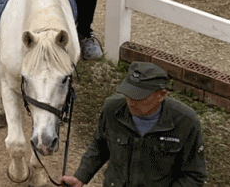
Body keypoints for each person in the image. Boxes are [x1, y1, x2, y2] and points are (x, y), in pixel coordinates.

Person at [60, 62, 207, 187]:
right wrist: (81, 176)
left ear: (161, 95)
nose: (131, 101)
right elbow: (100, 145)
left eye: (139, 96)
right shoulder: (113, 109)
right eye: (128, 93)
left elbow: (194, 175)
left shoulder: (185, 122)